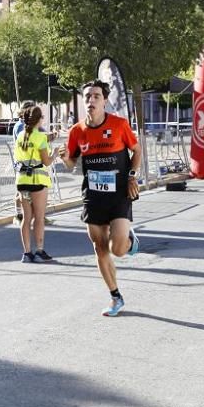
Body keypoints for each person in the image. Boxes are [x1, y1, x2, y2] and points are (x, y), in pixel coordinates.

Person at [58, 80, 141, 317]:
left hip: (119, 194)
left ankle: (128, 239)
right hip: (93, 197)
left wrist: (132, 175)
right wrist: (64, 158)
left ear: (105, 100)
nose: (91, 100)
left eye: (96, 96)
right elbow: (73, 163)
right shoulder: (76, 131)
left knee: (118, 250)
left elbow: (137, 150)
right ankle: (115, 296)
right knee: (99, 248)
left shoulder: (119, 124)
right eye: (87, 97)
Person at [14, 104, 56, 263]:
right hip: (37, 181)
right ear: (38, 119)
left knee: (26, 218)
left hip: (22, 181)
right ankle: (39, 250)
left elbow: (18, 160)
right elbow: (46, 162)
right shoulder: (39, 137)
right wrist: (56, 154)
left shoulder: (20, 137)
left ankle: (26, 253)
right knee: (39, 218)